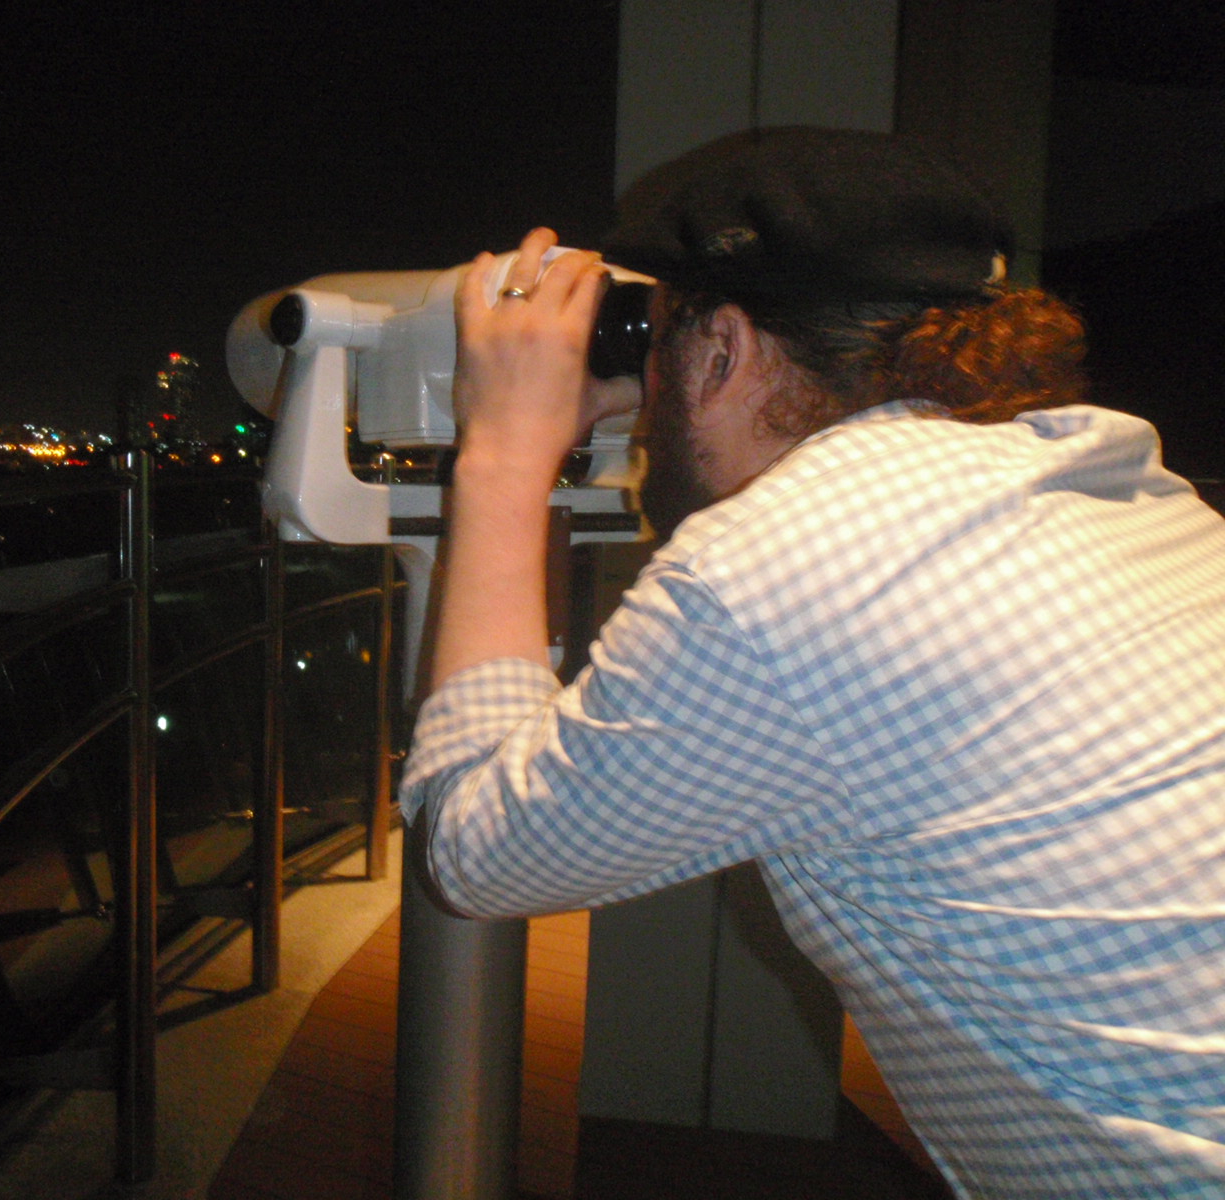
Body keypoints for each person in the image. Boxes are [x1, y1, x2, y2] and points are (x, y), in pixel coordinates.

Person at [397, 126, 1225, 1198]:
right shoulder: (1122, 480)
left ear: (724, 346)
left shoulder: (771, 568)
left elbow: (472, 852)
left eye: (660, 342)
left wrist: (504, 453)